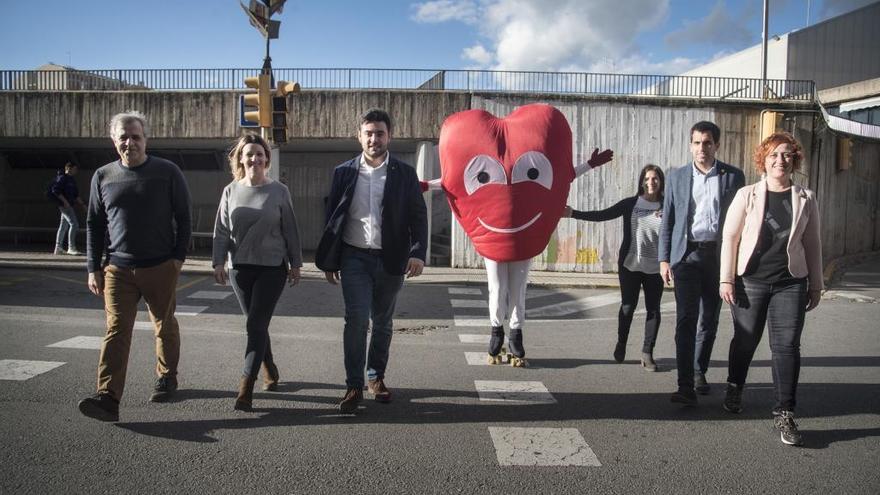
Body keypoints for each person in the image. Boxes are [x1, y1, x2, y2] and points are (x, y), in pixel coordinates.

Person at [77, 110, 192, 422]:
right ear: (115, 141)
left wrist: (177, 259)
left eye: (135, 136)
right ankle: (107, 397)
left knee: (164, 323)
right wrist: (93, 267)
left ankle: (167, 377)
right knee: (116, 330)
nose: (130, 142)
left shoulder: (167, 171)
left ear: (146, 139)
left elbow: (184, 217)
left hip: (160, 266)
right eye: (123, 137)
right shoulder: (103, 176)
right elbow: (94, 224)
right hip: (117, 268)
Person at [315, 108, 428, 414]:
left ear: (389, 136)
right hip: (354, 257)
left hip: (391, 259)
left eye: (380, 133)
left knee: (382, 323)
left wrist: (417, 252)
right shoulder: (344, 172)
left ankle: (375, 376)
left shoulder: (404, 173)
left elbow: (418, 214)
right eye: (369, 133)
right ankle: (353, 385)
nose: (374, 138)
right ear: (359, 136)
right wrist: (330, 259)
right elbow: (333, 219)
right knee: (355, 320)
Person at [719, 132, 823, 446]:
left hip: (791, 281)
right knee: (746, 340)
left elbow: (812, 242)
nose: (781, 160)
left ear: (795, 161)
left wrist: (816, 284)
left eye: (787, 155)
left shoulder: (806, 197)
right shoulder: (747, 194)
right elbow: (731, 238)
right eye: (774, 154)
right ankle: (735, 385)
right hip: (750, 280)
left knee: (787, 346)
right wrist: (726, 278)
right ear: (763, 159)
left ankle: (784, 412)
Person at [212, 134, 303, 412]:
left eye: (260, 154)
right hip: (240, 268)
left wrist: (296, 263)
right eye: (249, 154)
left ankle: (246, 386)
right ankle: (270, 368)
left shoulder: (279, 191)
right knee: (257, 324)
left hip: (272, 268)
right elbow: (222, 230)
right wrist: (218, 262)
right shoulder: (230, 190)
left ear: (267, 159)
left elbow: (290, 228)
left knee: (254, 325)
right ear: (240, 158)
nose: (255, 159)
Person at [659, 121, 745, 405]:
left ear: (716, 145)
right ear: (690, 145)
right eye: (696, 143)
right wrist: (664, 259)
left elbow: (740, 223)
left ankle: (699, 371)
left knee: (709, 320)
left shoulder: (733, 177)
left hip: (718, 259)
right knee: (686, 320)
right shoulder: (677, 177)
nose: (701, 148)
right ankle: (685, 385)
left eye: (707, 143)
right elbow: (668, 221)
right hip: (686, 257)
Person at [564, 164, 665, 371]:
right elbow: (603, 214)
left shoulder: (667, 206)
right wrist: (573, 213)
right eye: (647, 179)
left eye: (655, 179)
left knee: (653, 310)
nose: (651, 182)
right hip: (630, 264)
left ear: (661, 182)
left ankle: (647, 353)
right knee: (628, 307)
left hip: (656, 267)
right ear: (641, 182)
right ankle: (622, 341)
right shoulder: (631, 204)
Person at [50, 162, 86, 255]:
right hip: (65, 206)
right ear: (69, 168)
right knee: (74, 224)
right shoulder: (63, 178)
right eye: (75, 169)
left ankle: (58, 248)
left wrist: (83, 205)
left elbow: (75, 194)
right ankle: (71, 247)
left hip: (68, 205)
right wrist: (65, 202)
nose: (76, 171)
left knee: (63, 226)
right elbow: (55, 190)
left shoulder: (72, 180)